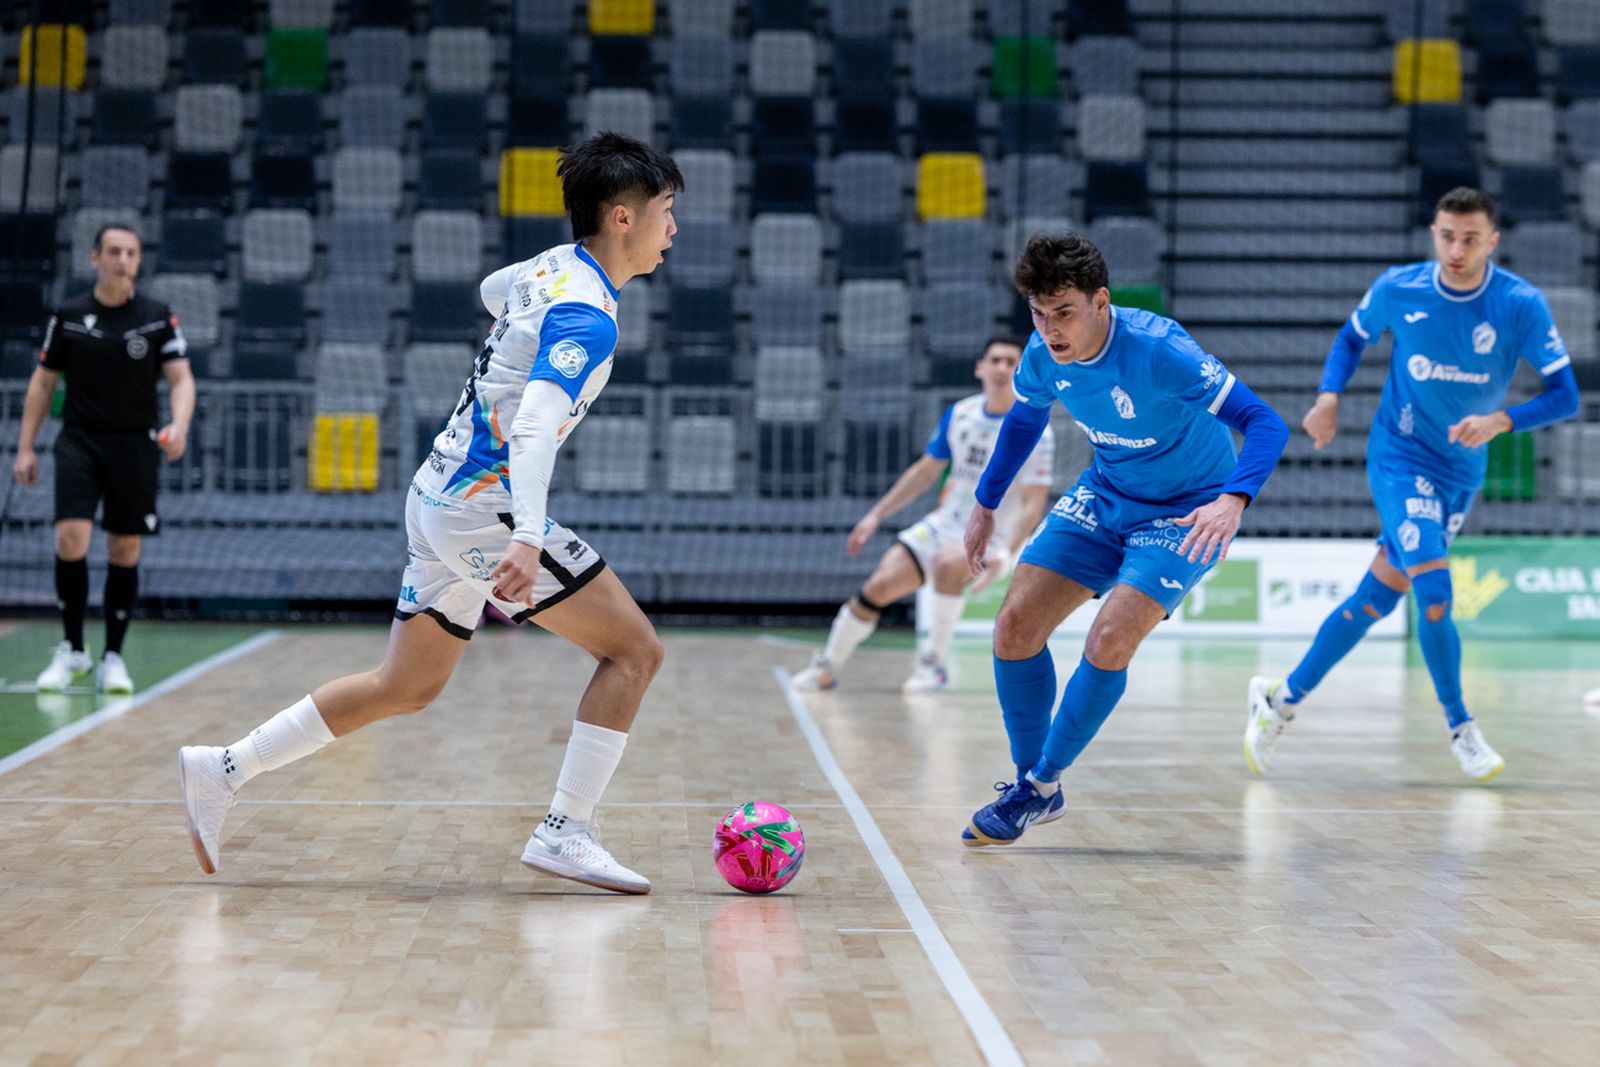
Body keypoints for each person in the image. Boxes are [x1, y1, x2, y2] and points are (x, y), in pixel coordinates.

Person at [178, 132, 681, 894]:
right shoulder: (589, 317)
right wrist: (531, 535)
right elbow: (539, 426)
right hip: (485, 509)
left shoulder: (553, 267)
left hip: (435, 495)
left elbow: (491, 290)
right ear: (621, 217)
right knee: (635, 652)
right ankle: (565, 831)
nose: (672, 229)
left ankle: (221, 768)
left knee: (405, 685)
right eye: (666, 211)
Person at [961, 232, 1289, 846]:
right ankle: (1036, 788)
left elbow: (1264, 422)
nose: (1051, 329)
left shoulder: (1161, 350)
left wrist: (1233, 499)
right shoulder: (1040, 356)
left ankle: (1039, 784)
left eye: (1064, 313)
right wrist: (984, 504)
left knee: (1109, 637)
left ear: (1101, 302)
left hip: (1186, 511)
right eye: (1039, 313)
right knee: (1012, 627)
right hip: (1107, 493)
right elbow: (1024, 422)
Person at [1244, 188, 1578, 782]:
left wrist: (1503, 420)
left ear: (1492, 242)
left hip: (1461, 469)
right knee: (1436, 592)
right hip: (1399, 457)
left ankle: (1280, 698)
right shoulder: (1401, 287)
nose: (1456, 248)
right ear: (1433, 232)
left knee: (1375, 598)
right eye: (1447, 235)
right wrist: (1328, 396)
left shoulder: (1519, 303)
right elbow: (1352, 337)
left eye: (1470, 238)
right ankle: (1461, 728)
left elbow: (1565, 394)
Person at [792, 338, 1054, 694]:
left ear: (1021, 371)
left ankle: (933, 666)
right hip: (945, 524)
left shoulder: (1037, 430)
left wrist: (1007, 552)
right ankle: (828, 666)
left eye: (1011, 362)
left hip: (994, 538)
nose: (1002, 368)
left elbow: (1033, 503)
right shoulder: (960, 414)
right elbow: (925, 472)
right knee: (878, 587)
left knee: (948, 566)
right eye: (995, 360)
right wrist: (875, 515)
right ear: (980, 368)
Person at [11, 223, 193, 696]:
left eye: (131, 253)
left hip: (135, 444)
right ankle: (73, 648)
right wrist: (26, 446)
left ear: (138, 261)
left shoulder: (156, 317)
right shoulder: (69, 315)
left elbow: (181, 379)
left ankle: (113, 656)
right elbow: (43, 382)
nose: (123, 260)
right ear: (95, 258)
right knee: (72, 536)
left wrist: (180, 424)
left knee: (124, 548)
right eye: (113, 251)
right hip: (80, 441)